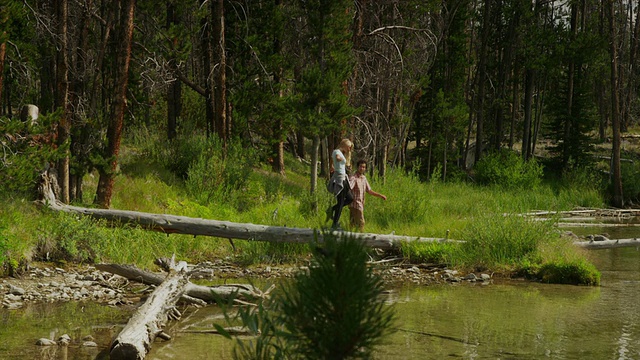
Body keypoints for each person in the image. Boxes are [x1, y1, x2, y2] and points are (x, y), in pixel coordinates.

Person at [348, 159, 387, 231]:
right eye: (360, 166)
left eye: (363, 167)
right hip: (355, 204)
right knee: (361, 222)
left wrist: (380, 195)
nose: (362, 168)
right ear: (357, 167)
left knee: (352, 223)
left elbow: (369, 191)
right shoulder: (354, 177)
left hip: (361, 203)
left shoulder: (364, 178)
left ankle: (351, 239)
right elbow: (349, 187)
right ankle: (362, 238)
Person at [326, 139, 354, 229]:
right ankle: (335, 224)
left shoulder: (340, 152)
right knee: (341, 201)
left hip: (344, 178)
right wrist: (340, 159)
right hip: (339, 179)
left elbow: (332, 159)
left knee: (350, 198)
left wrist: (331, 166)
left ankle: (331, 210)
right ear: (345, 145)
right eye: (349, 147)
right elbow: (337, 157)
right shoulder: (337, 151)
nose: (350, 149)